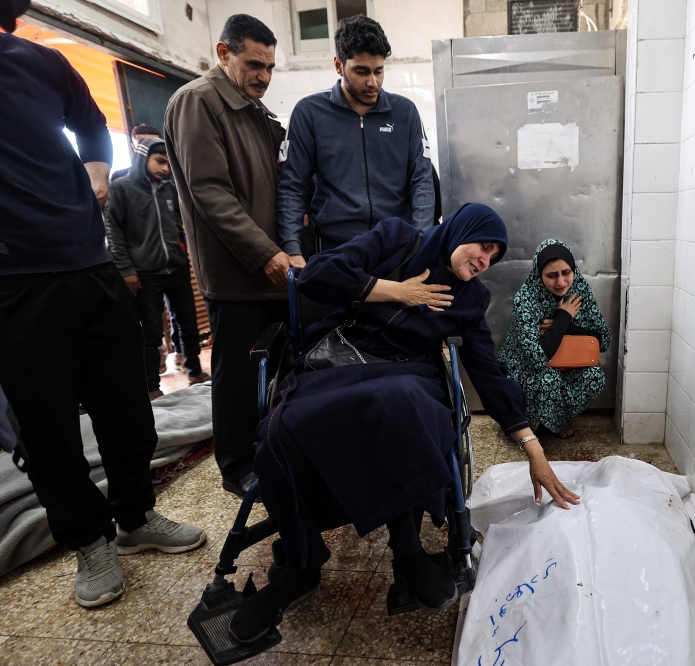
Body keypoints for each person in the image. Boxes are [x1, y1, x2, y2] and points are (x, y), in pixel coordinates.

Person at [228, 205, 579, 641]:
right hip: (341, 361)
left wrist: (531, 445)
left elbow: (488, 372)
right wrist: (397, 291)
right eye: (483, 246)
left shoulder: (471, 298)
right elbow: (316, 275)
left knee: (400, 405)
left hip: (408, 373)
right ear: (460, 230)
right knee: (278, 432)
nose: (485, 260)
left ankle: (409, 554)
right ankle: (302, 564)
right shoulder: (397, 240)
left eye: (494, 256)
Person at [0, 1, 205, 609]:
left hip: (90, 267)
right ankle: (90, 541)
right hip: (13, 284)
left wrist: (96, 176)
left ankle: (136, 516)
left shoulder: (40, 62)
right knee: (48, 428)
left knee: (128, 407)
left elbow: (91, 125)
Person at [164, 14, 297, 499]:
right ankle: (237, 465)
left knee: (274, 368)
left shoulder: (254, 112)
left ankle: (272, 449)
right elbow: (210, 192)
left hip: (271, 268)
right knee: (237, 375)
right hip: (237, 273)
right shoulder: (198, 101)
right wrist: (265, 253)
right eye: (254, 64)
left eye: (270, 67)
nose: (264, 75)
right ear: (224, 53)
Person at [276, 15, 435, 260]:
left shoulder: (405, 112)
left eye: (379, 71)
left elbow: (422, 180)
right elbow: (292, 186)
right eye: (361, 71)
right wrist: (292, 248)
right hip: (334, 251)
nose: (373, 82)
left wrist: (421, 241)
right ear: (339, 65)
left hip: (396, 249)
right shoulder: (309, 113)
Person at [104, 137, 211, 398]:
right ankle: (152, 386)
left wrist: (181, 250)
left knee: (188, 324)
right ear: (143, 158)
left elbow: (179, 221)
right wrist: (127, 270)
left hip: (176, 268)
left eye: (168, 164)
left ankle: (195, 372)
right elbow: (113, 231)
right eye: (159, 161)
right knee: (151, 332)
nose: (165, 168)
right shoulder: (121, 189)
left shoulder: (169, 188)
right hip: (144, 273)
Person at [498, 240, 611, 439]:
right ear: (539, 274)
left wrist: (565, 324)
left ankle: (555, 419)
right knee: (547, 378)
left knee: (594, 377)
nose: (561, 282)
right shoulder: (526, 300)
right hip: (525, 371)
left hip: (566, 364)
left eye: (566, 272)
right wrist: (564, 317)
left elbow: (603, 340)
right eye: (551, 276)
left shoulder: (579, 291)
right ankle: (529, 422)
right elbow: (537, 358)